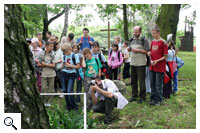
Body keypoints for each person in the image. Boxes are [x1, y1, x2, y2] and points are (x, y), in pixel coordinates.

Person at [128, 26, 150, 103]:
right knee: (133, 81)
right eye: (134, 32)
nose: (134, 33)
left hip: (141, 63)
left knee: (141, 81)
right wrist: (129, 49)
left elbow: (147, 51)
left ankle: (142, 97)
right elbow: (129, 48)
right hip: (133, 62)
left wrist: (138, 50)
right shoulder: (131, 40)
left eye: (136, 32)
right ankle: (134, 96)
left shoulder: (144, 40)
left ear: (140, 32)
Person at [147, 26, 168, 105]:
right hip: (152, 66)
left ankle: (158, 100)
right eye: (152, 33)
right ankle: (152, 99)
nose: (153, 35)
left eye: (154, 33)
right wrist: (149, 53)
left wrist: (157, 61)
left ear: (158, 33)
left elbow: (165, 56)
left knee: (158, 84)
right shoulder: (153, 42)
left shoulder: (163, 42)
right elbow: (152, 52)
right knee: (152, 83)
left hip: (159, 67)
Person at [60, 43, 80, 111]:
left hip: (72, 74)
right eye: (64, 52)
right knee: (65, 90)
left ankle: (74, 106)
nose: (66, 53)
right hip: (64, 73)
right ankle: (68, 106)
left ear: (70, 49)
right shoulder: (64, 56)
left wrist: (71, 66)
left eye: (66, 51)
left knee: (69, 90)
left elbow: (78, 66)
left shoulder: (75, 56)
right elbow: (63, 65)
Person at [38, 41, 56, 106]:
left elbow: (54, 65)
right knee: (44, 88)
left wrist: (44, 64)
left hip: (52, 73)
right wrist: (46, 65)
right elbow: (39, 64)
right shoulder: (41, 54)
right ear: (46, 46)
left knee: (51, 89)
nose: (52, 48)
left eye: (52, 46)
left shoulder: (53, 54)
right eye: (50, 46)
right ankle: (44, 101)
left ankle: (49, 102)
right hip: (44, 73)